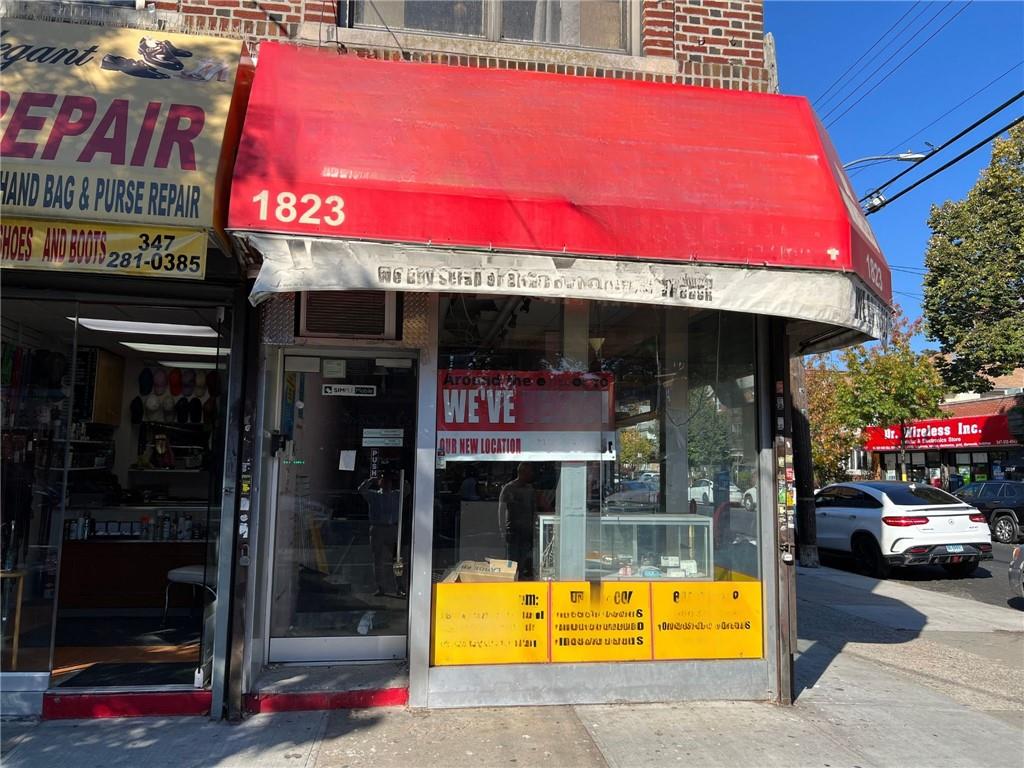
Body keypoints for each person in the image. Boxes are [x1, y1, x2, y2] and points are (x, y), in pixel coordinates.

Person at [359, 472, 403, 597]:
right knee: (378, 560)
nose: (386, 483)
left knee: (397, 559)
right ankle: (381, 588)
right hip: (377, 529)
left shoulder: (396, 494)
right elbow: (361, 490)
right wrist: (371, 480)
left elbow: (409, 489)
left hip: (392, 528)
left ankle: (399, 587)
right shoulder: (373, 495)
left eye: (388, 481)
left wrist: (400, 477)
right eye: (383, 481)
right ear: (380, 483)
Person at [498, 463, 537, 578]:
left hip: (526, 531)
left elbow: (534, 511)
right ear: (522, 472)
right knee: (511, 561)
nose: (531, 475)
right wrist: (502, 530)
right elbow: (501, 510)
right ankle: (511, 583)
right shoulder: (509, 488)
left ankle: (521, 581)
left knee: (523, 560)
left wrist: (534, 529)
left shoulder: (530, 490)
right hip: (512, 531)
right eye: (529, 472)